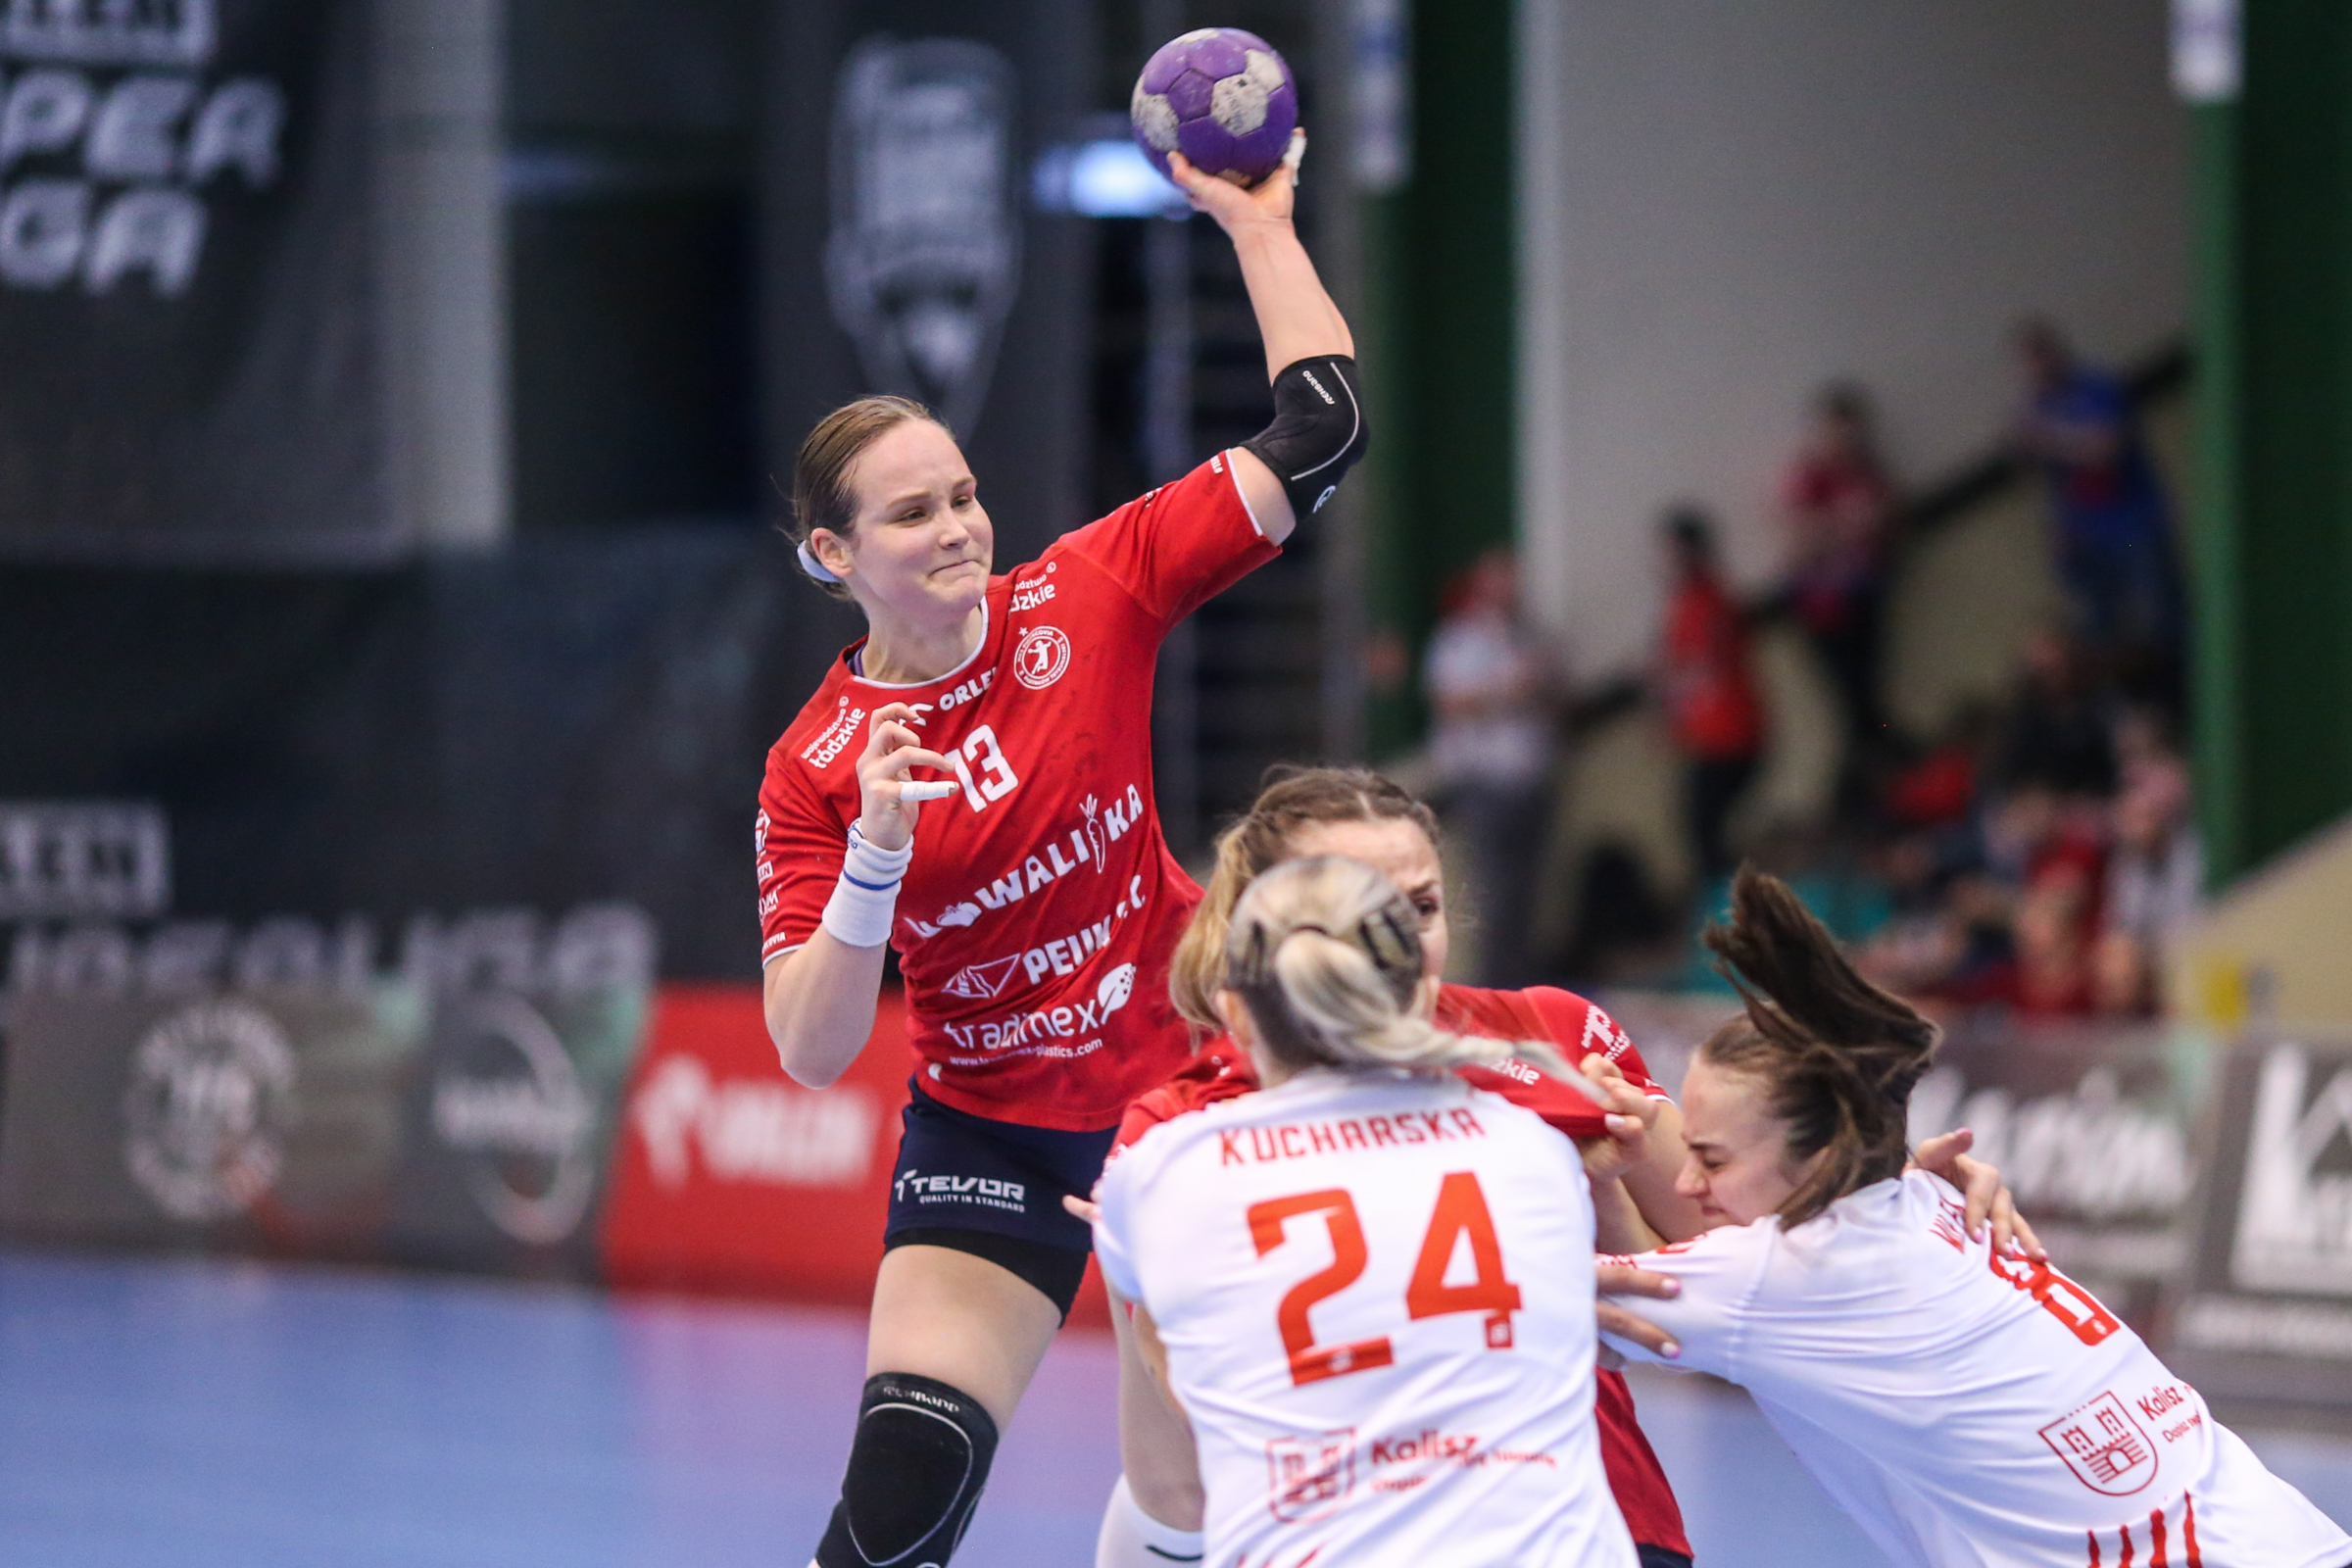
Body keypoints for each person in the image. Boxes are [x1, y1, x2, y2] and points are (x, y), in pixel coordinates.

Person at [755, 130, 1367, 1568]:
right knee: (901, 1504)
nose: (958, 529)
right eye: (913, 514)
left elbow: (1321, 432)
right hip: (993, 1135)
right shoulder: (817, 767)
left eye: (964, 495)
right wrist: (874, 864)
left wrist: (1259, 226)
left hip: (1193, 1092)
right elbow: (810, 1049)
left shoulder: (1087, 594)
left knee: (1198, 1496)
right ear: (835, 555)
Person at [1081, 765, 2034, 1568]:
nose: (1392, 945)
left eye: (1419, 907)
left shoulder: (1546, 1039)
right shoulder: (1181, 1128)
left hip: (1583, 1522)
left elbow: (1750, 1242)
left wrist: (1897, 1200)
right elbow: (1176, 1476)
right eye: (1352, 910)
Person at [1600, 868, 2352, 1568]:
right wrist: (1613, 1146)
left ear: (1819, 1156)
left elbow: (1566, 1300)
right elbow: (1670, 1280)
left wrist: (1574, 1131)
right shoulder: (1926, 1201)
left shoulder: (1788, 1270)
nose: (1690, 1180)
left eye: (1713, 1159)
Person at [1091, 854, 1642, 1568]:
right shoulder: (1531, 1148)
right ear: (1419, 995)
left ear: (1235, 1015)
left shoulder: (1167, 1169)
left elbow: (1173, 1433)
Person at [2014, 319, 2184, 686]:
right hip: (2085, 536)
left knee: (2162, 617)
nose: (2035, 371)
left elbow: (2105, 449)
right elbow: (2049, 482)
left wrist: (2051, 442)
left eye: (2039, 359)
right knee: (2101, 632)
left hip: (2132, 525)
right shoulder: (2038, 408)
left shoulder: (2097, 388)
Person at [1423, 546, 1557, 984]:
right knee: (1493, 887)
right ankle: (1492, 981)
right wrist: (1506, 691)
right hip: (1486, 782)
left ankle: (1522, 979)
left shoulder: (1528, 637)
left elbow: (1554, 696)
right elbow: (1450, 702)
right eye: (1500, 579)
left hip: (1530, 780)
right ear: (1482, 584)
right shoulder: (1460, 639)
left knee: (1529, 889)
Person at [1778, 382, 1894, 761]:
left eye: (1849, 434)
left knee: (1868, 689)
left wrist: (1836, 529)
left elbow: (1883, 523)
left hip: (1864, 593)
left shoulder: (1868, 472)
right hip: (1822, 606)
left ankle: (1881, 756)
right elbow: (1801, 545)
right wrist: (1844, 527)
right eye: (1834, 433)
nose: (1842, 443)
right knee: (1849, 697)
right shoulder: (1808, 477)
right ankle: (1866, 766)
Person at [1657, 507, 1766, 885]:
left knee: (1704, 828)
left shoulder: (1712, 601)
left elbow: (1705, 666)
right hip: (1709, 735)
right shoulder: (1685, 602)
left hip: (1730, 733)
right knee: (1701, 828)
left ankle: (1731, 899)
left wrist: (1670, 682)